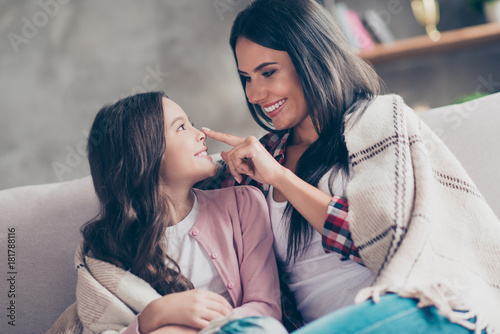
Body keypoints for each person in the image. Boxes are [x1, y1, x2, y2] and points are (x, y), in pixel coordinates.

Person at [197, 0, 500, 333]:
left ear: (310, 57)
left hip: (418, 307)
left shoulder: (379, 121)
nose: (255, 94)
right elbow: (182, 216)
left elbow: (384, 240)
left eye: (268, 72)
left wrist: (282, 178)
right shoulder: (263, 158)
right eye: (246, 79)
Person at [48, 91, 283, 334]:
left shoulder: (243, 204)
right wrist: (151, 317)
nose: (200, 134)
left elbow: (265, 308)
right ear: (144, 154)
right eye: (181, 127)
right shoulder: (110, 248)